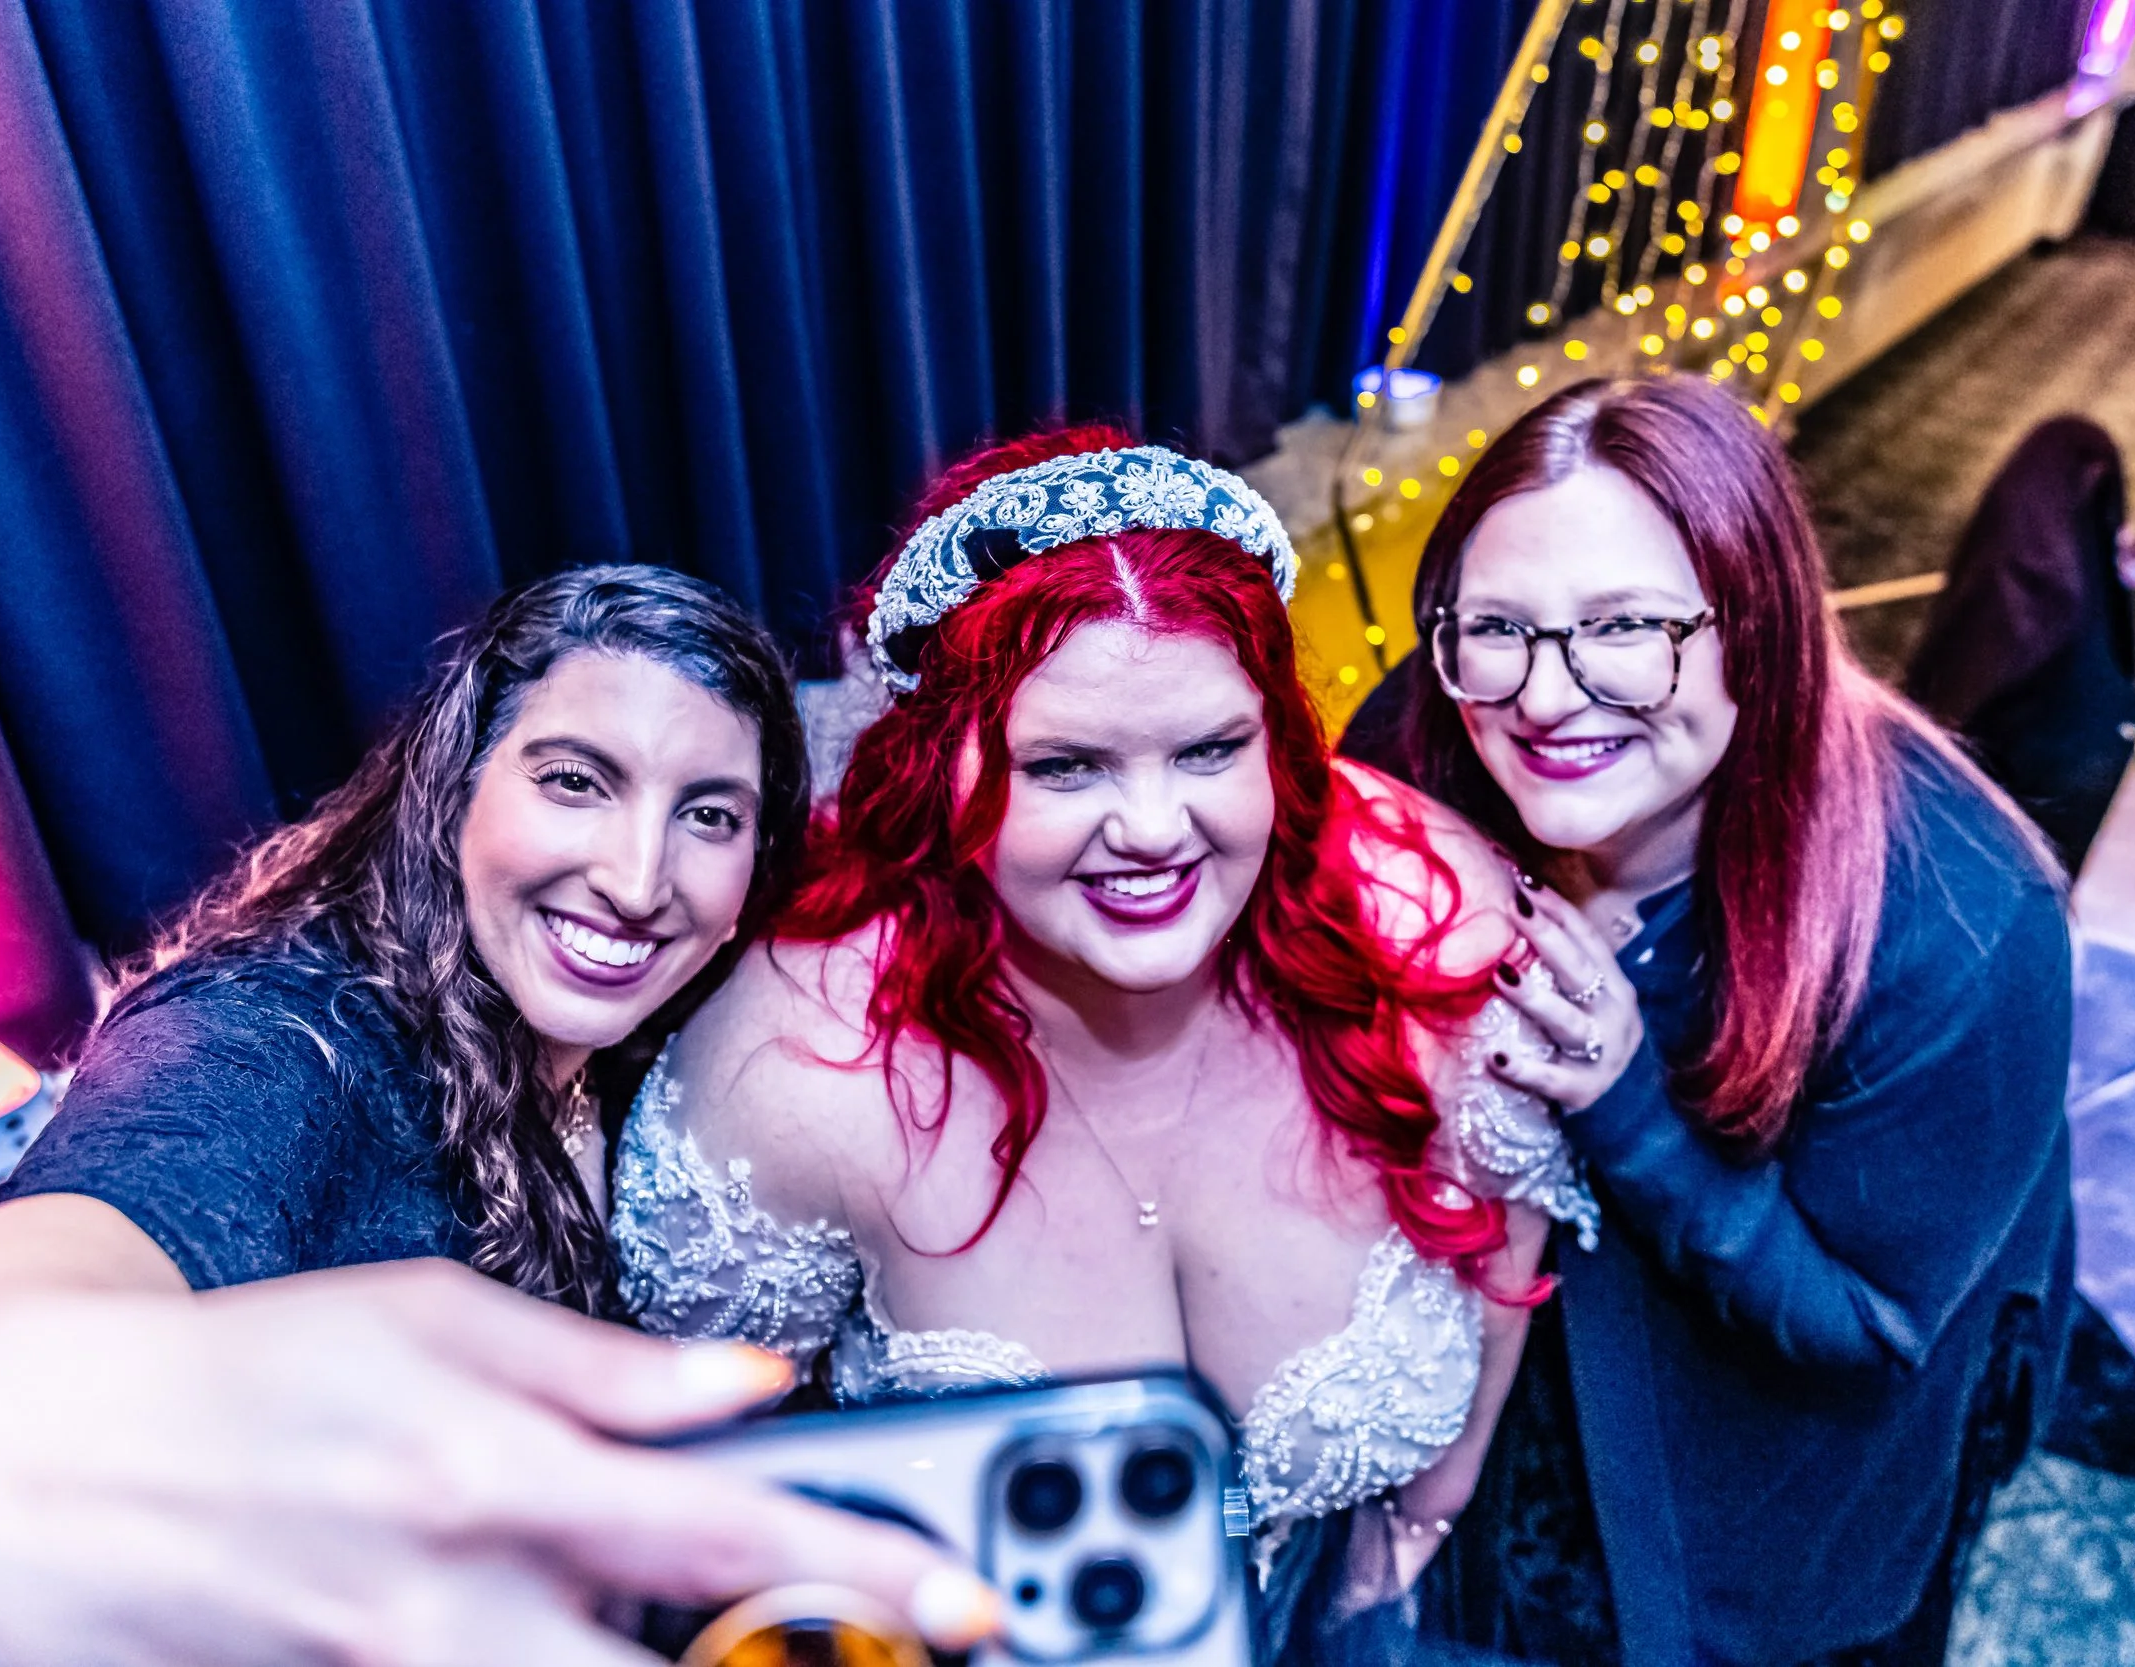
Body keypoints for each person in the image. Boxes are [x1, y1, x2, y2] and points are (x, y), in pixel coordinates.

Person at [0, 566, 1000, 1666]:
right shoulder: (290, 1034)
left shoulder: (659, 1034)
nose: (637, 875)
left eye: (708, 813)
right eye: (576, 781)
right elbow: (37, 1282)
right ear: (454, 785)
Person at [611, 430, 1604, 1661]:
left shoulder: (1428, 935)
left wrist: (1408, 1545)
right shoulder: (799, 1074)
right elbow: (699, 1487)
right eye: (1066, 764)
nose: (1152, 829)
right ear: (941, 774)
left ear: (1279, 744)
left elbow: (1506, 1266)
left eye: (1208, 749)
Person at [1340, 376, 2077, 1666]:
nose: (1546, 697)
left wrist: (1629, 1104)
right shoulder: (1417, 744)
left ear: (1761, 628)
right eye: (1496, 624)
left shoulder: (1957, 923)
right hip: (1499, 1372)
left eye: (1625, 627)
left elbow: (1870, 1326)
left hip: (1771, 1454)